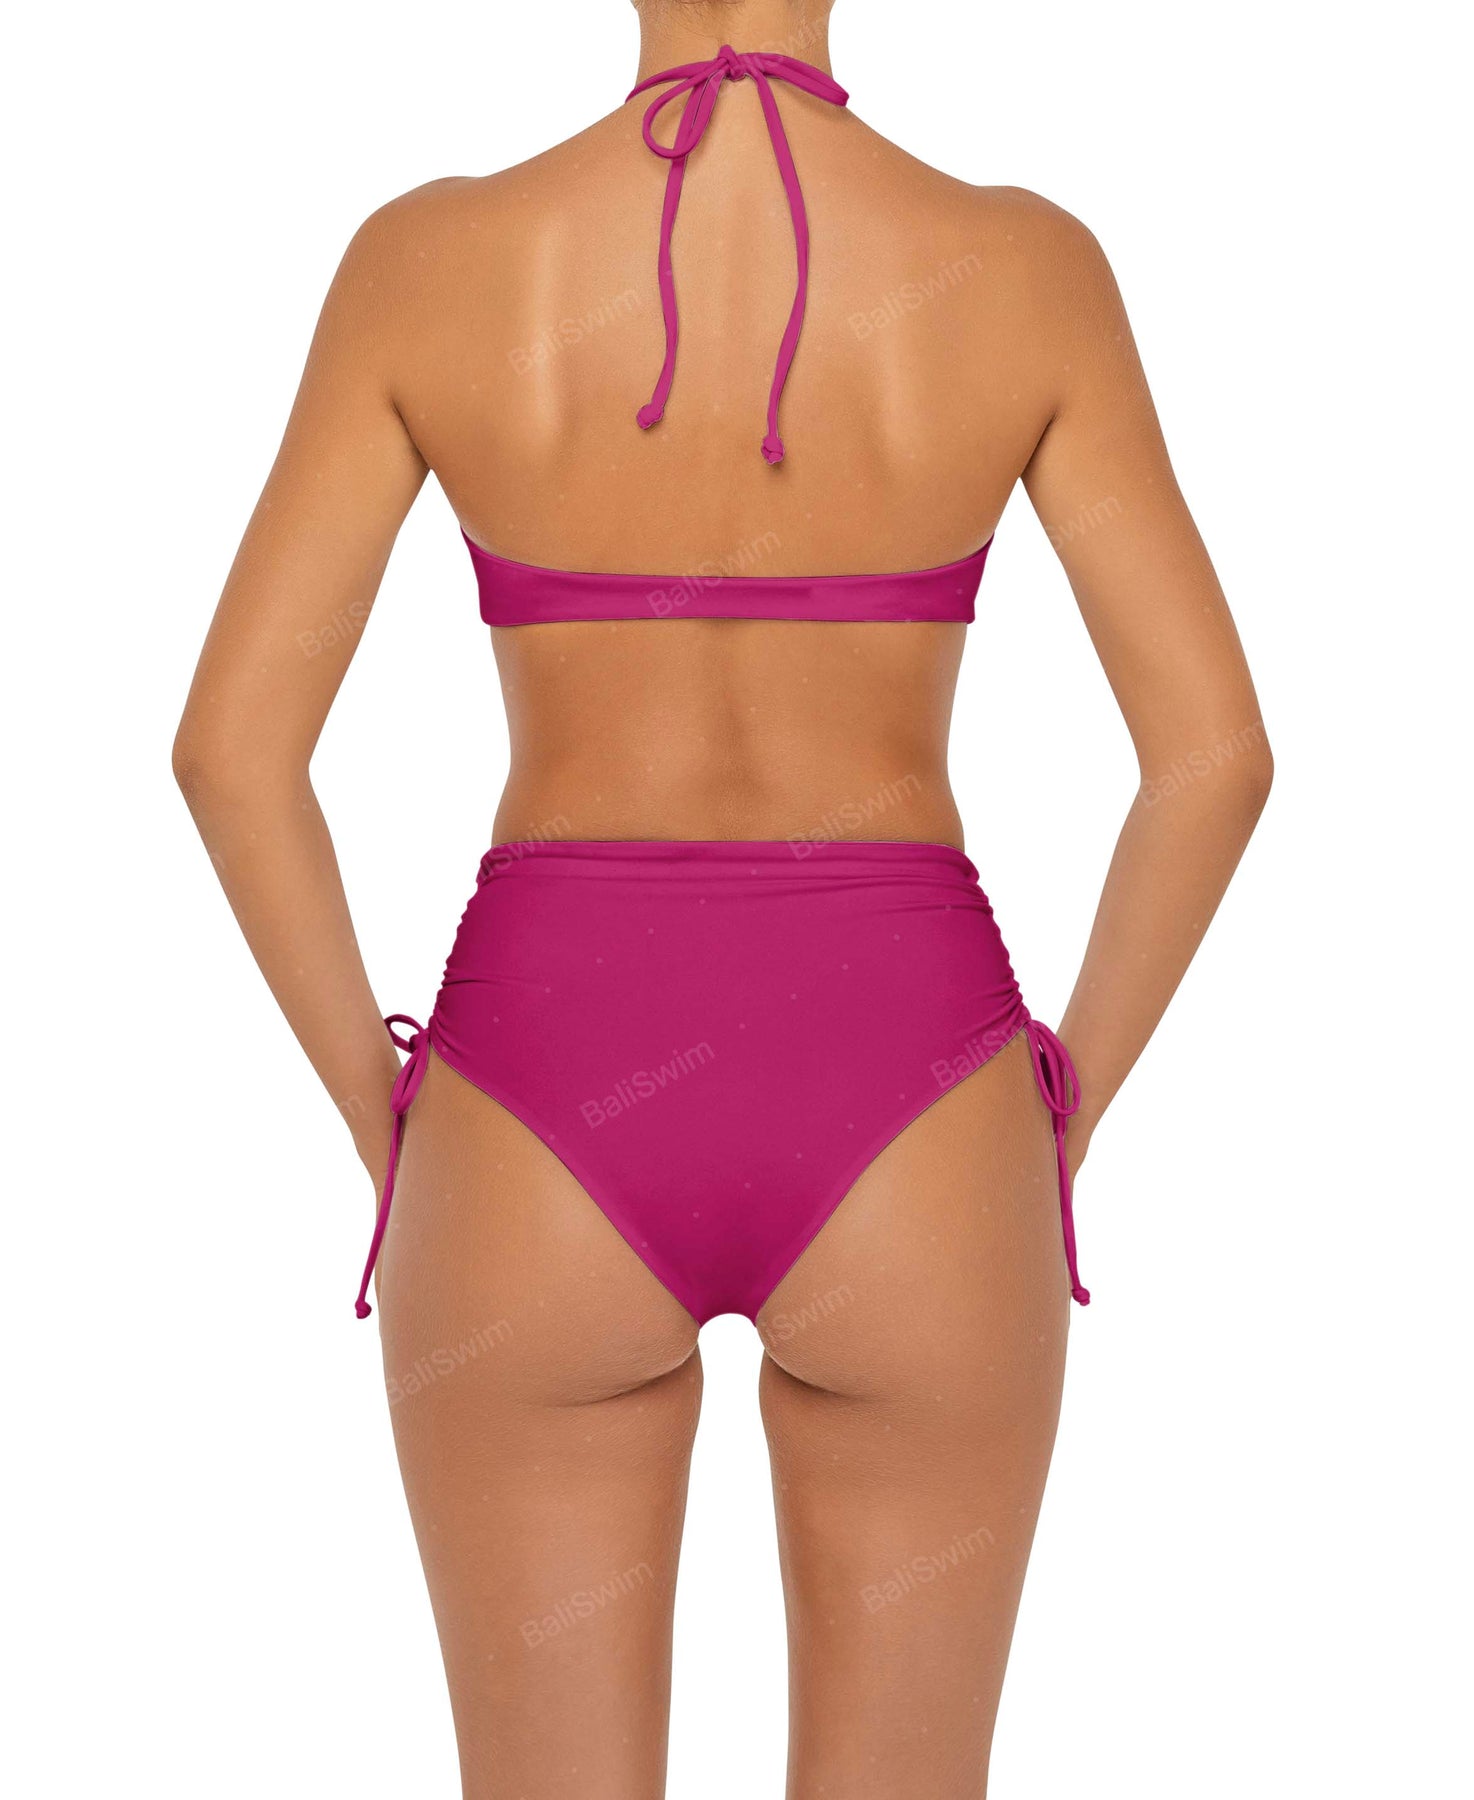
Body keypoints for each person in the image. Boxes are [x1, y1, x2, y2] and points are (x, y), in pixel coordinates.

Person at [173, 2, 1272, 1792]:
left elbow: (232, 754)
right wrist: (1053, 1117)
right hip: (916, 1095)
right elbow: (1215, 759)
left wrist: (395, 1129)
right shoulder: (1022, 267)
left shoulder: (431, 261)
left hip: (540, 1094)